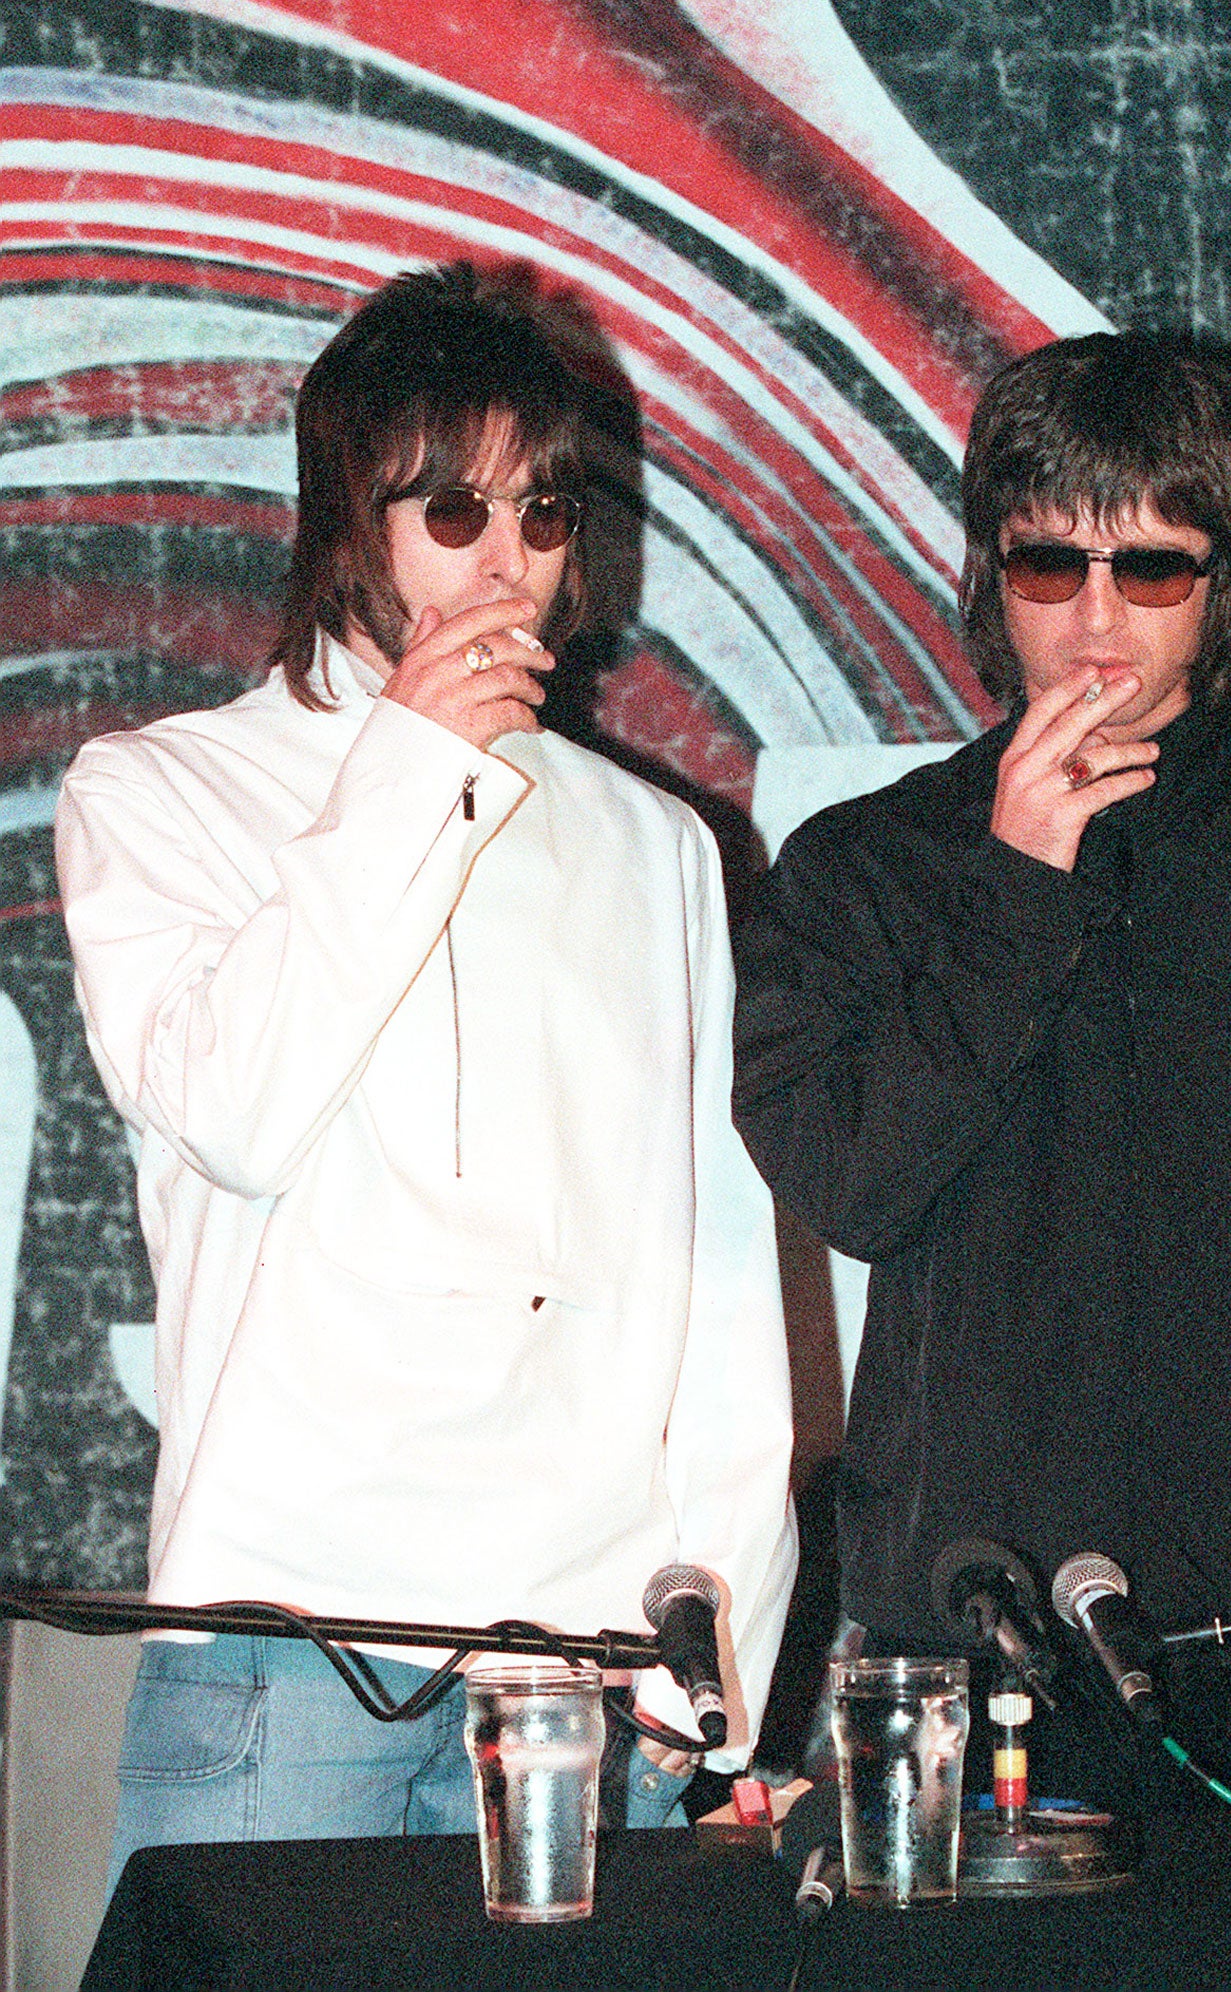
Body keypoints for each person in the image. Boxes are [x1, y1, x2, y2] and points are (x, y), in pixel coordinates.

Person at [731, 332, 1231, 1830]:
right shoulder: (867, 868)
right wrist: (1015, 886)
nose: (1096, 621)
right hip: (972, 1654)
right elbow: (851, 1185)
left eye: (1151, 570)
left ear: (1221, 584)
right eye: (1052, 565)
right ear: (991, 573)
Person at [56, 261, 796, 1886]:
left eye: (543, 513)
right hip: (288, 1626)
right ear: (347, 519)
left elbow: (719, 1261)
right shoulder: (163, 790)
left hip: (581, 1653)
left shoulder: (656, 845)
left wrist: (713, 1645)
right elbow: (240, 1112)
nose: (507, 561)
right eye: (453, 512)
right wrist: (412, 763)